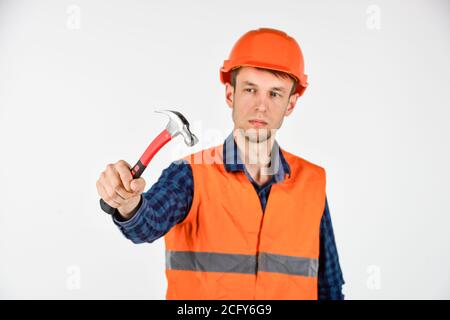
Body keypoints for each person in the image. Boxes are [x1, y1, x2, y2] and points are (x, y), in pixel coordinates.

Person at [96, 27, 345, 300]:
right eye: (251, 89)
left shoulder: (312, 182)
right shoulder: (190, 175)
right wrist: (128, 203)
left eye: (275, 94)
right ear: (230, 94)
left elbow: (329, 286)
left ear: (291, 104)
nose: (261, 106)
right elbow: (147, 223)